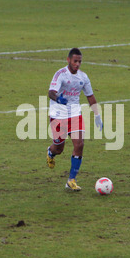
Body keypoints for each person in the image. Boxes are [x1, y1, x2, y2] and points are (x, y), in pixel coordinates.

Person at [46, 48, 103, 191]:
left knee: (79, 144)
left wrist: (97, 115)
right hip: (58, 114)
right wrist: (58, 98)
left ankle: (71, 180)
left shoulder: (83, 77)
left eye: (80, 61)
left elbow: (90, 96)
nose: (77, 64)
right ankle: (50, 153)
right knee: (59, 148)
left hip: (75, 114)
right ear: (68, 60)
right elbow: (51, 92)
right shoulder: (60, 74)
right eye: (75, 61)